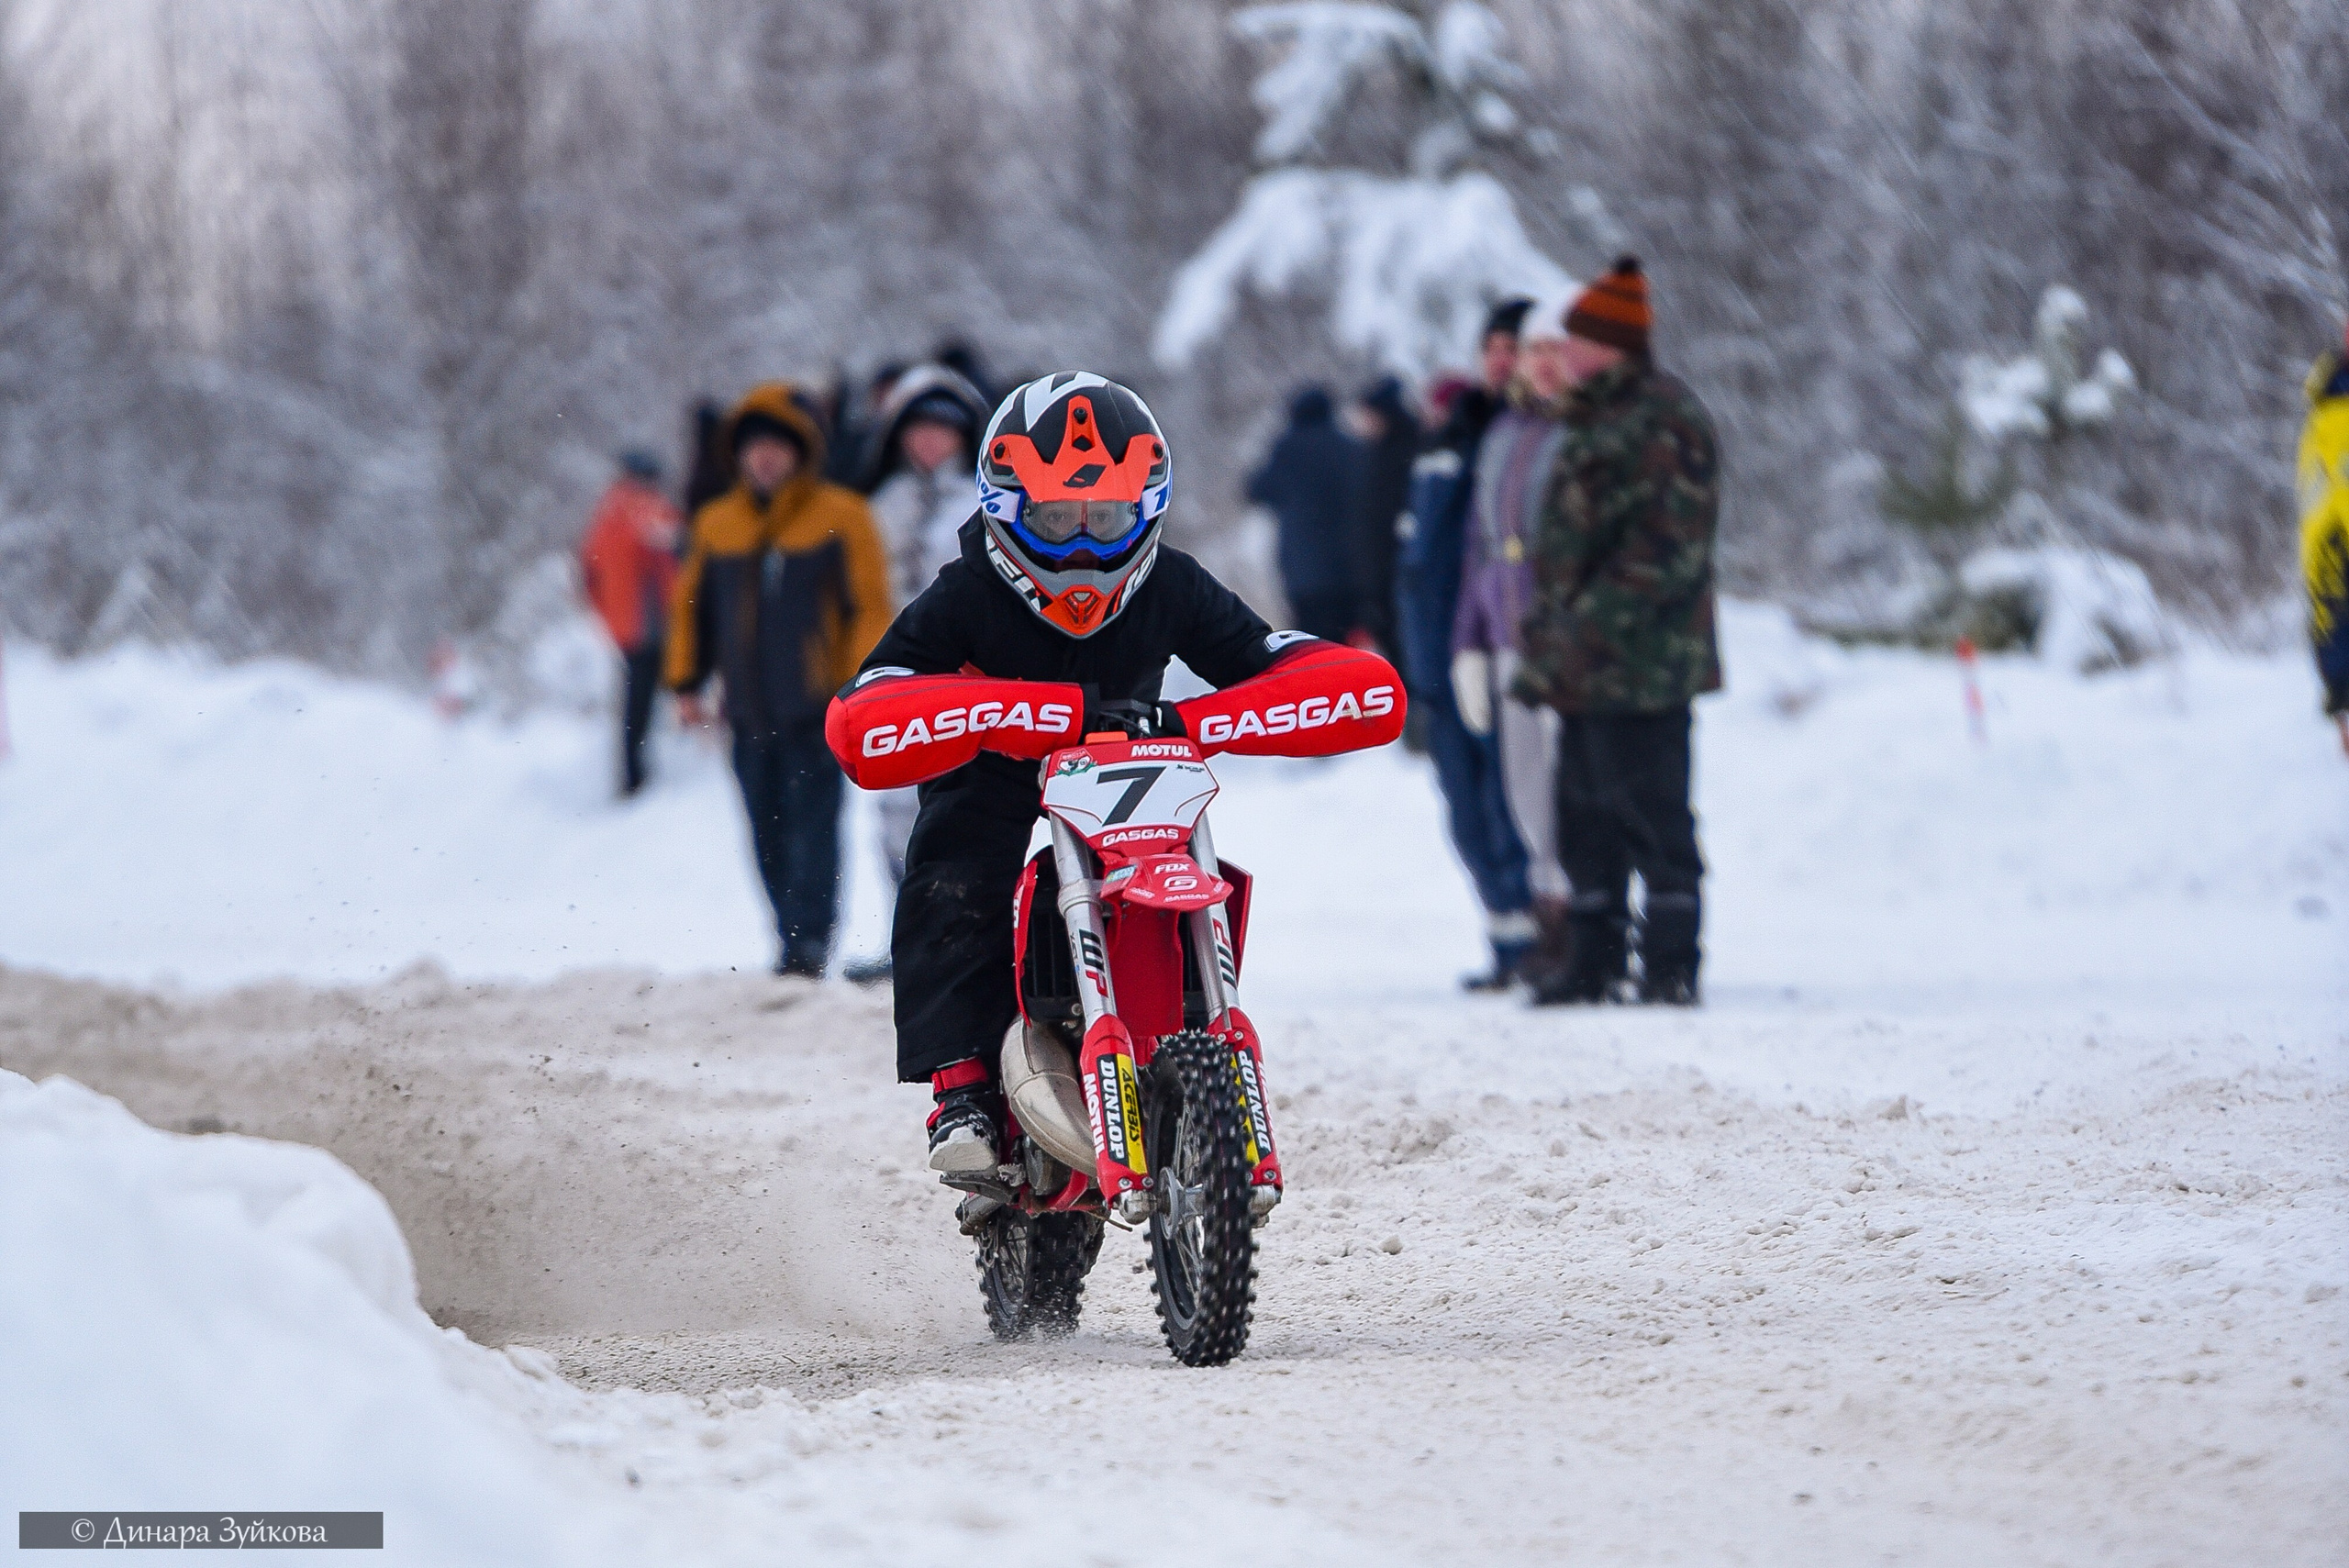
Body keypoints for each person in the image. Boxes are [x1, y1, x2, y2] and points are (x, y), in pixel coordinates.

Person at [823, 373, 1406, 1172]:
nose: (1086, 545)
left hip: (1132, 763)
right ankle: (960, 1085)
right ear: (1007, 511)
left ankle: (1188, 1022)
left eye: (1108, 516)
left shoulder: (1168, 583)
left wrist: (1199, 721)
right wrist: (1009, 710)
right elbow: (868, 705)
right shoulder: (968, 591)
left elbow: (1275, 663)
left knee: (1183, 860)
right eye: (1057, 518)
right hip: (995, 762)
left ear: (1147, 508)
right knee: (953, 867)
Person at [1512, 258, 1722, 1006]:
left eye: (1575, 340)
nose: (1560, 354)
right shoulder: (1594, 417)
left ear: (1612, 347)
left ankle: (1670, 962)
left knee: (1654, 810)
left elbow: (1666, 547)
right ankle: (1593, 959)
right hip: (1585, 664)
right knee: (1585, 814)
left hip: (1644, 663)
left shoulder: (1664, 419)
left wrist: (1589, 623)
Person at [667, 384, 893, 977]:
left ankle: (810, 940)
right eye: (753, 447)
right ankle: (789, 933)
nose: (764, 458)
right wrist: (686, 680)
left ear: (800, 451)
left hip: (820, 708)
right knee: (763, 826)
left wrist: (860, 686)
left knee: (814, 828)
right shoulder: (717, 524)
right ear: (737, 456)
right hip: (747, 707)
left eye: (776, 446)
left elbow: (869, 606)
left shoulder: (842, 515)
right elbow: (692, 608)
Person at [1396, 298, 1536, 987]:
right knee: (1467, 810)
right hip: (1435, 657)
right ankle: (1505, 940)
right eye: (1493, 348)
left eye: (1514, 347)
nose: (1502, 361)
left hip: (1494, 646)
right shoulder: (1452, 432)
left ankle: (1540, 937)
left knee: (1513, 803)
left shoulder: (1520, 432)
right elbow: (1415, 559)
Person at [844, 362, 992, 984]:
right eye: (919, 429)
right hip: (893, 681)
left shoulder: (992, 503)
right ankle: (907, 934)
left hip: (968, 680)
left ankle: (970, 936)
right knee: (895, 810)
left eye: (944, 430)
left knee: (966, 806)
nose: (931, 442)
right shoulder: (879, 507)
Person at [1451, 294, 1579, 986]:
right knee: (1524, 783)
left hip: (1563, 638)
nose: (1544, 364)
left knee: (1569, 785)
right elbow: (1480, 546)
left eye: (1557, 350)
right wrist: (1466, 642)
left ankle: (1583, 922)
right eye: (1536, 351)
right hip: (1505, 634)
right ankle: (1547, 913)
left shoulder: (1582, 433)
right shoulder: (1504, 434)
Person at [577, 450, 681, 796]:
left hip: (626, 626)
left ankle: (632, 773)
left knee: (635, 701)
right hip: (656, 622)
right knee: (663, 692)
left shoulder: (605, 513)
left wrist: (606, 615)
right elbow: (675, 552)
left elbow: (588, 574)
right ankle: (643, 775)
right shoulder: (649, 506)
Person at [1247, 385, 1360, 643]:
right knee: (1347, 647)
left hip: (1303, 573)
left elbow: (1255, 490)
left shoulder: (1287, 449)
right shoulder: (1348, 447)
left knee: (1312, 647)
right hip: (1346, 570)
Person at [2299, 325, 2349, 754]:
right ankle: (2342, 714)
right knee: (2332, 619)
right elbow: (2312, 465)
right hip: (2329, 529)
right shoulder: (2323, 389)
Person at [1349, 374, 1420, 652]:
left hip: (1397, 572)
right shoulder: (1375, 453)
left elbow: (1383, 520)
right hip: (1384, 575)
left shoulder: (1398, 453)